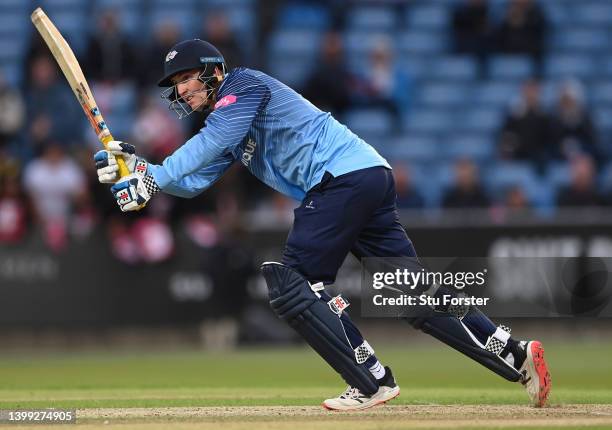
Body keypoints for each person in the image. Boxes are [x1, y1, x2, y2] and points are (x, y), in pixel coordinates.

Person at [93, 39, 550, 410]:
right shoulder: (227, 122)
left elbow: (211, 143)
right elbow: (193, 183)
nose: (181, 92)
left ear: (213, 71)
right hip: (367, 176)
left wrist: (149, 179)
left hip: (341, 180)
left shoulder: (243, 86)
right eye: (175, 85)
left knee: (292, 282)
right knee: (413, 294)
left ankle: (371, 380)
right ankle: (513, 353)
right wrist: (139, 167)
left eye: (186, 79)